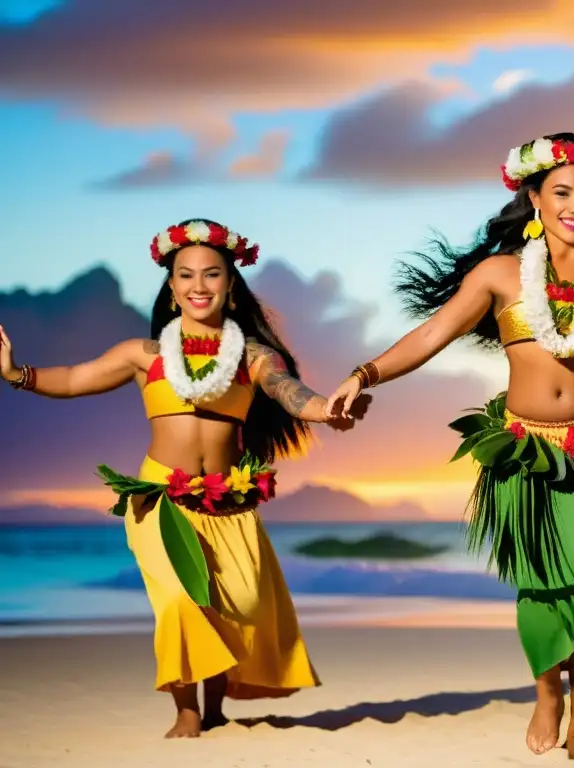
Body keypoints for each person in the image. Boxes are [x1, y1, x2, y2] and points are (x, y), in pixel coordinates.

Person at [326, 132, 574, 763]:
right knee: (542, 589)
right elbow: (432, 334)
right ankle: (546, 691)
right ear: (534, 197)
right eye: (562, 191)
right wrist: (363, 373)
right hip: (527, 454)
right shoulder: (501, 275)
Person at [0, 219, 369, 738]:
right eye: (186, 275)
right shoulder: (142, 355)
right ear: (171, 289)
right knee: (179, 601)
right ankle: (187, 712)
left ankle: (216, 707)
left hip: (229, 502)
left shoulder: (253, 358)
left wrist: (327, 411)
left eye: (212, 274)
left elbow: (290, 391)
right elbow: (75, 379)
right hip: (160, 501)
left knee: (234, 606)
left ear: (230, 286)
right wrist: (18, 373)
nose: (199, 285)